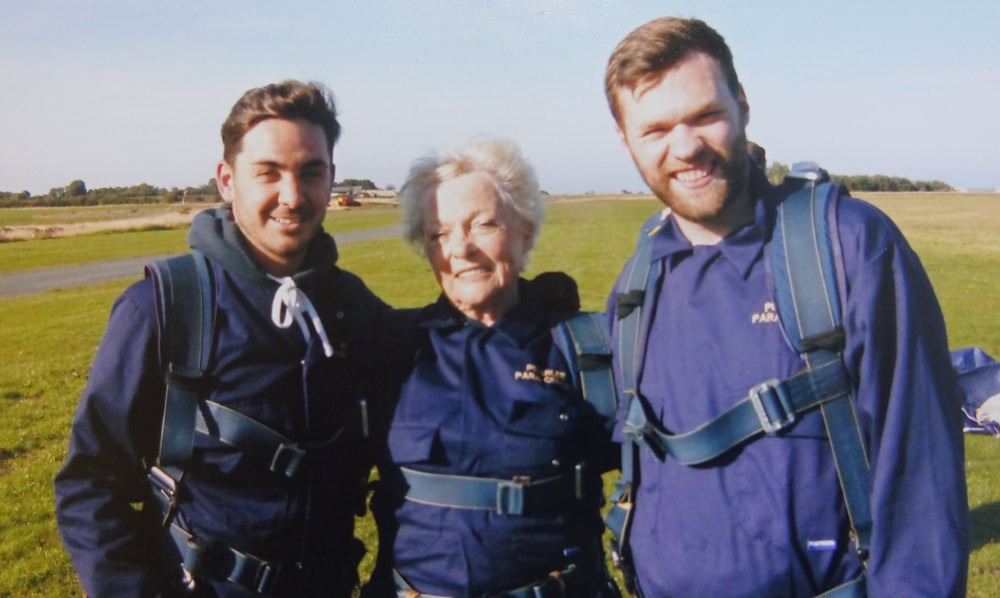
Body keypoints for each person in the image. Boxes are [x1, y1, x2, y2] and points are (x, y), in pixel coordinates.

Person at [602, 17, 969, 596]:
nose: (686, 147)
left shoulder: (846, 248)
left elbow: (918, 479)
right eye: (656, 129)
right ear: (626, 141)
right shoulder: (637, 284)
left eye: (704, 115)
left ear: (742, 106)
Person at [54, 80, 394, 597]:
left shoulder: (356, 310)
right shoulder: (163, 308)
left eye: (311, 172)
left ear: (331, 179)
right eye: (269, 173)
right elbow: (91, 483)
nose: (293, 195)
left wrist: (528, 311)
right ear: (227, 180)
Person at [365, 138, 619, 597]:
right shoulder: (389, 348)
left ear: (524, 231)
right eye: (439, 233)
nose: (460, 249)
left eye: (483, 224)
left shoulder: (584, 349)